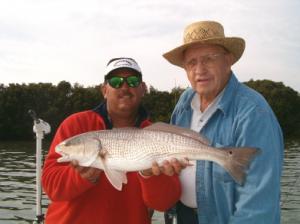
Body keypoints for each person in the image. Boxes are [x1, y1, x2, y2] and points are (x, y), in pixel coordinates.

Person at [163, 21, 284, 223]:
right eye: (192, 62)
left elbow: (258, 206)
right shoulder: (184, 103)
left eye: (209, 59)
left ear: (228, 61)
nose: (199, 69)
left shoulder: (254, 112)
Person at [42, 57, 183, 224]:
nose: (124, 87)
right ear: (104, 90)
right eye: (115, 81)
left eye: (132, 81)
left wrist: (149, 174)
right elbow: (51, 187)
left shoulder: (159, 136)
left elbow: (164, 203)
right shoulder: (76, 124)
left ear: (143, 88)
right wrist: (83, 176)